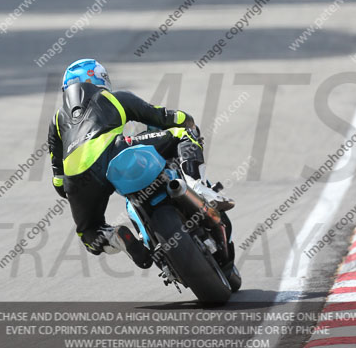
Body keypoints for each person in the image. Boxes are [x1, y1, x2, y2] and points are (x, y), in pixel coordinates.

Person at [48, 58, 234, 269]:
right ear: (100, 79)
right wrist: (188, 120)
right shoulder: (115, 98)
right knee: (183, 134)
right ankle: (196, 185)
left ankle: (116, 237)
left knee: (88, 232)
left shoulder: (56, 121)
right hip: (113, 151)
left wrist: (76, 193)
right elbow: (162, 117)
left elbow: (58, 179)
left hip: (76, 178)